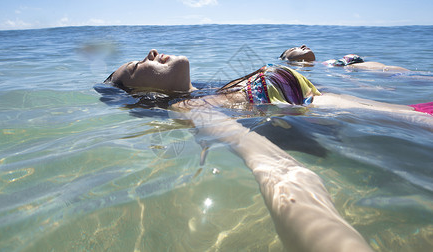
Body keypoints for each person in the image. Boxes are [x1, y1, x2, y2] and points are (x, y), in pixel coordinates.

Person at [103, 49, 432, 252]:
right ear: (137, 93)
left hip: (319, 101)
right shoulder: (190, 108)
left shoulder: (208, 89)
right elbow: (268, 161)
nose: (151, 51)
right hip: (316, 109)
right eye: (135, 67)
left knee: (419, 117)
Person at [280, 45, 409, 72]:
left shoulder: (320, 64)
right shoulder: (310, 69)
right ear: (288, 59)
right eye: (293, 49)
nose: (302, 45)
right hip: (374, 70)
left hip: (375, 67)